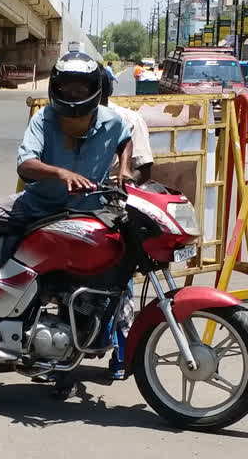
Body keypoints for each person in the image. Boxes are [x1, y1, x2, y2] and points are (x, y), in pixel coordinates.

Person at [0, 52, 133, 398]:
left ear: (94, 90)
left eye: (82, 88)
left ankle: (71, 362)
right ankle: (6, 301)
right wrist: (59, 173)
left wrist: (124, 169)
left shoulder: (111, 120)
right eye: (68, 88)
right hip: (39, 209)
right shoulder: (43, 119)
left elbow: (125, 138)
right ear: (56, 88)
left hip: (85, 216)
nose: (74, 95)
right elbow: (26, 163)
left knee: (82, 292)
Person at [99, 66, 154, 380]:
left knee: (121, 286)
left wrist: (123, 191)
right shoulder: (70, 121)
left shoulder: (128, 120)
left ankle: (123, 356)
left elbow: (144, 169)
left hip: (117, 213)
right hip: (79, 214)